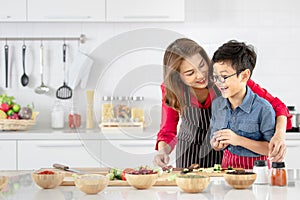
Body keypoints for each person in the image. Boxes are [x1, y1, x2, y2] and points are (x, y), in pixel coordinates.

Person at [153, 38, 291, 168]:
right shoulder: (172, 90)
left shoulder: (228, 81)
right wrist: (163, 151)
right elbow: (167, 130)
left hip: (225, 153)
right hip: (189, 152)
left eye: (202, 65)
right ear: (177, 77)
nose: (201, 75)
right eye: (190, 73)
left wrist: (279, 136)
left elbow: (278, 107)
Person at [209, 40, 275, 169]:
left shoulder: (263, 108)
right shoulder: (217, 105)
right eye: (215, 77)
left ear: (244, 76)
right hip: (227, 171)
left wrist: (238, 140)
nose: (218, 82)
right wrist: (215, 144)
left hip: (257, 173)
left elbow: (271, 149)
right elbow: (213, 137)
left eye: (224, 76)